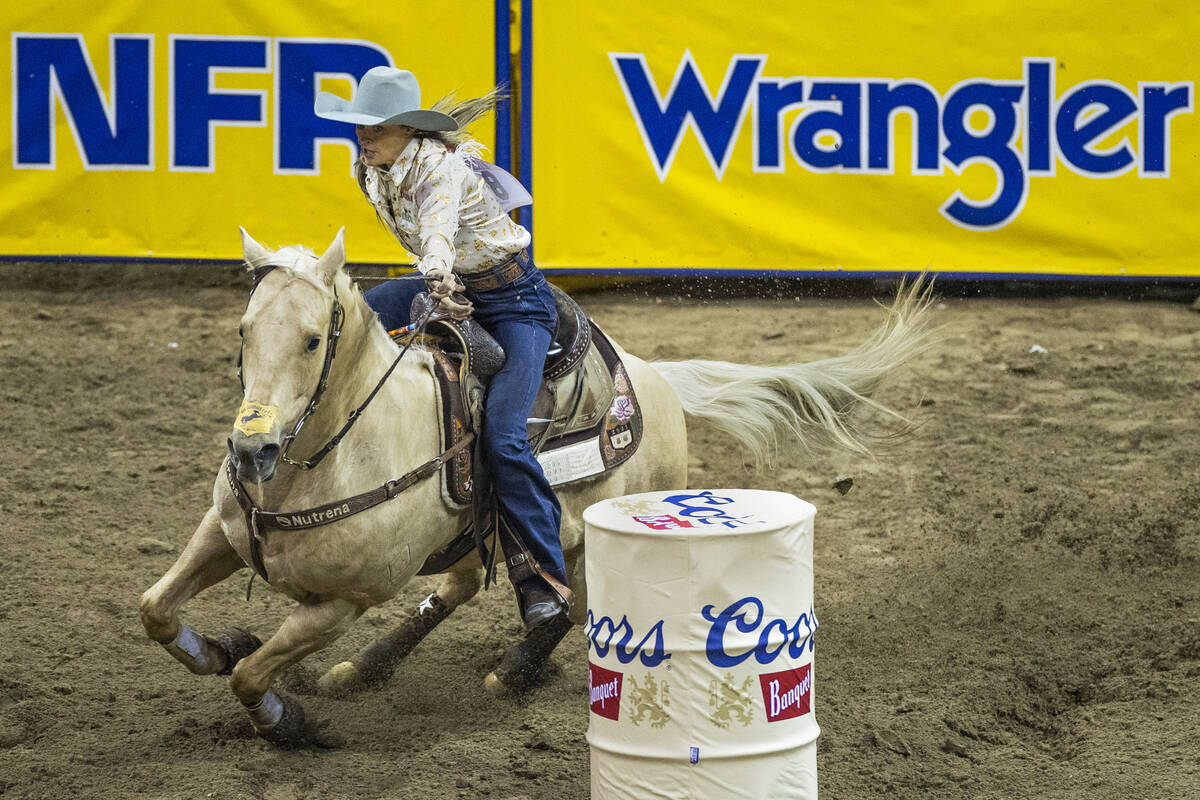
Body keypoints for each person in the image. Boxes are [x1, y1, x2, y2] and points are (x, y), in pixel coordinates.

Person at [315, 66, 568, 631]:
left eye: (376, 126)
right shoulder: (371, 168)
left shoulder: (441, 167)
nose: (364, 135)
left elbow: (437, 229)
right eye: (361, 125)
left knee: (505, 437)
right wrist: (436, 284)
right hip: (448, 285)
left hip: (514, 301)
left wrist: (435, 278)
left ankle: (544, 581)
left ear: (408, 128)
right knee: (344, 330)